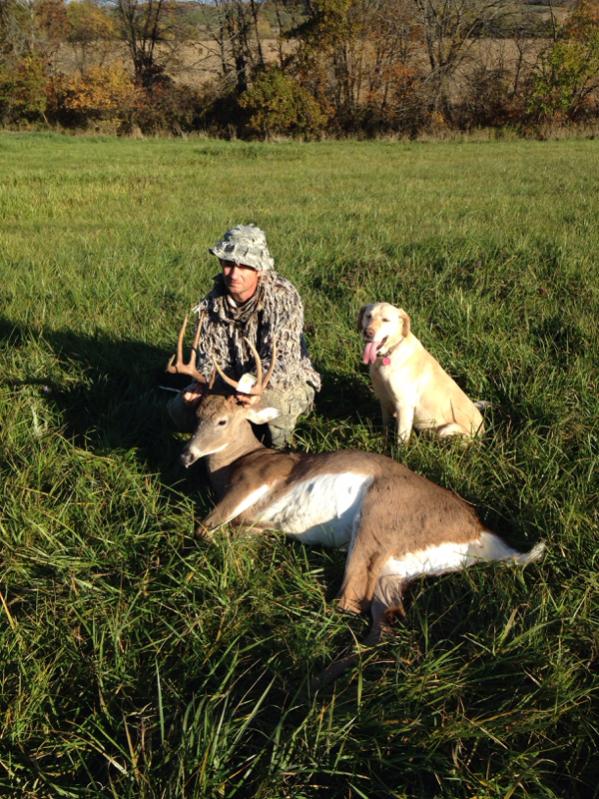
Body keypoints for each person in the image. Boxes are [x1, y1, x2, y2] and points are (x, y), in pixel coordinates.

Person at [167, 224, 321, 448]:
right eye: (228, 264)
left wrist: (250, 387)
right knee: (179, 409)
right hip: (231, 386)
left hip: (283, 382)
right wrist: (202, 386)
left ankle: (280, 454)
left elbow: (283, 362)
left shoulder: (282, 298)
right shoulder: (211, 305)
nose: (234, 274)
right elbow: (210, 362)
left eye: (244, 266)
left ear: (259, 269)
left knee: (272, 408)